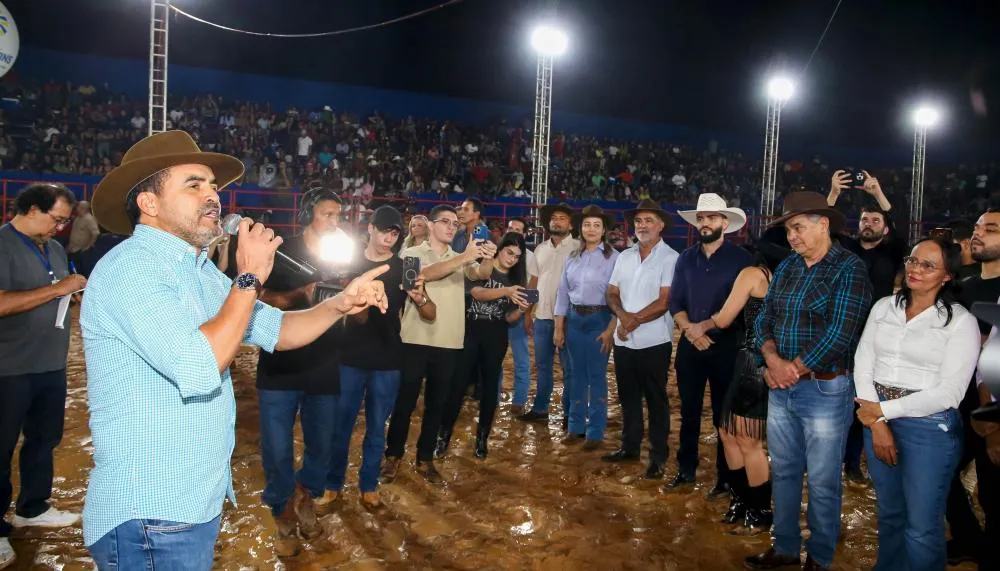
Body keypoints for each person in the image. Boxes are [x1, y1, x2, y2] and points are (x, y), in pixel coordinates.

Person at [80, 131, 389, 570]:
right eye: (194, 185)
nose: (213, 197)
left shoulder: (199, 271)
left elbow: (277, 330)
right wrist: (248, 278)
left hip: (188, 505)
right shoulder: (131, 268)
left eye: (213, 186)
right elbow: (201, 365)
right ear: (148, 203)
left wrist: (340, 303)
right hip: (150, 513)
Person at [745, 191, 872, 571]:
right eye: (788, 231)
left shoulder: (849, 269)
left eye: (798, 228)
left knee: (822, 479)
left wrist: (790, 368)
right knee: (783, 470)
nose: (792, 237)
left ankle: (819, 557)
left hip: (825, 389)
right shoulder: (787, 267)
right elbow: (762, 318)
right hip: (782, 385)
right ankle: (785, 549)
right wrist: (770, 359)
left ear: (823, 224)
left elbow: (841, 333)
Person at [854, 237, 979, 571]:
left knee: (922, 528)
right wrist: (878, 424)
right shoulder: (884, 308)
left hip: (930, 430)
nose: (915, 269)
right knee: (891, 515)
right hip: (877, 421)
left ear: (948, 276)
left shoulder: (960, 322)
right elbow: (863, 363)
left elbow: (950, 392)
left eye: (928, 265)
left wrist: (881, 412)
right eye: (912, 260)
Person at [252, 186, 347, 556]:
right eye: (328, 214)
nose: (335, 221)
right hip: (279, 364)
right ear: (309, 213)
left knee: (322, 444)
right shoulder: (281, 249)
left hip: (326, 363)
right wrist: (299, 296)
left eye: (338, 215)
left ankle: (306, 496)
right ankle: (282, 512)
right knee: (276, 447)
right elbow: (257, 299)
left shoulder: (342, 255)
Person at [326, 206, 436, 509]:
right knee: (341, 425)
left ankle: (368, 485)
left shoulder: (406, 266)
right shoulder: (349, 261)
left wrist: (420, 296)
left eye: (395, 232)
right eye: (384, 230)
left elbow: (430, 312)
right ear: (370, 229)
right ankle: (332, 483)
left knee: (377, 427)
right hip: (349, 355)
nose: (389, 236)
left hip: (388, 358)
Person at [0, 183, 86, 570]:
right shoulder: (3, 244)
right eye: (57, 219)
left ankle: (32, 508)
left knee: (43, 440)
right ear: (32, 208)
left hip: (50, 364)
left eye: (65, 222)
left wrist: (71, 294)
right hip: (8, 366)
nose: (61, 228)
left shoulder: (52, 248)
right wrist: (59, 289)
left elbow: (55, 291)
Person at [382, 204, 495, 484]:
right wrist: (465, 258)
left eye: (454, 223)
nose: (450, 226)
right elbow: (415, 278)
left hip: (449, 341)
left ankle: (425, 458)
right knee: (404, 403)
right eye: (444, 221)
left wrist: (487, 257)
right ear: (430, 225)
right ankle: (393, 456)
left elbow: (481, 275)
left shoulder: (461, 257)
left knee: (437, 405)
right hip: (414, 339)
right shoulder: (409, 253)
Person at [668, 193, 753, 491]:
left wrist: (699, 331)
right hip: (691, 345)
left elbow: (742, 306)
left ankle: (725, 478)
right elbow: (675, 301)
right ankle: (685, 469)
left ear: (725, 222)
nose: (705, 223)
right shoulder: (685, 258)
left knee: (723, 416)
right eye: (702, 218)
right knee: (688, 411)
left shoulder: (743, 260)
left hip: (727, 348)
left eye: (712, 218)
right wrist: (691, 330)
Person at [828, 169, 905, 483]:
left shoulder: (892, 250)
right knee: (838, 396)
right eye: (864, 220)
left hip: (878, 335)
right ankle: (835, 457)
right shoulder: (847, 248)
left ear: (884, 229)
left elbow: (899, 228)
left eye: (875, 221)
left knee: (866, 395)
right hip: (843, 330)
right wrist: (833, 194)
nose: (869, 224)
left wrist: (878, 194)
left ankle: (852, 463)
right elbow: (825, 227)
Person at [603, 199, 679, 479]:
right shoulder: (624, 257)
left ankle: (658, 457)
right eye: (638, 221)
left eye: (648, 221)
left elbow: (664, 302)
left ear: (660, 226)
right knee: (629, 397)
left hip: (654, 342)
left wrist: (630, 321)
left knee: (656, 400)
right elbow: (612, 292)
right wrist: (623, 318)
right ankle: (630, 447)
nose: (642, 226)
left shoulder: (671, 258)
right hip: (624, 341)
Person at [439, 232, 532, 458]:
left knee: (491, 387)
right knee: (458, 384)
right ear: (500, 249)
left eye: (517, 256)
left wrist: (522, 307)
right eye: (509, 252)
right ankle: (444, 435)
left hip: (496, 334)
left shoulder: (517, 280)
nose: (512, 259)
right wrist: (506, 292)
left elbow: (509, 318)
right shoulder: (483, 267)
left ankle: (482, 437)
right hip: (470, 330)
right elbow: (477, 294)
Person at [946, 209, 1000, 567]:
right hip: (960, 402)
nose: (978, 234)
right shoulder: (961, 289)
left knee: (994, 489)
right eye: (978, 227)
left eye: (991, 229)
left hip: (994, 405)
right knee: (942, 475)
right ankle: (970, 540)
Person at [553, 205, 619, 449]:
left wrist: (611, 328)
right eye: (587, 225)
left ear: (603, 230)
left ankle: (595, 432)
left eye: (596, 225)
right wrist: (559, 327)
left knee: (596, 376)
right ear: (581, 229)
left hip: (600, 319)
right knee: (575, 375)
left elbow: (620, 296)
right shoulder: (572, 257)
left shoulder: (615, 258)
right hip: (575, 320)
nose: (591, 229)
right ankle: (575, 427)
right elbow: (562, 294)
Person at [519, 203, 579, 426]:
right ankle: (541, 408)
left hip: (569, 318)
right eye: (554, 218)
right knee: (543, 366)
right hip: (542, 316)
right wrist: (527, 312)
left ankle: (568, 413)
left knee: (569, 367)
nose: (557, 221)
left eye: (563, 218)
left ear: (570, 224)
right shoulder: (540, 249)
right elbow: (534, 282)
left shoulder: (578, 247)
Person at [504, 217, 539, 415]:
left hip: (518, 311)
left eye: (518, 229)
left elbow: (532, 288)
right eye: (511, 228)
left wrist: (527, 314)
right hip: (497, 311)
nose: (515, 232)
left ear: (525, 234)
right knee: (494, 357)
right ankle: (493, 393)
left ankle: (519, 398)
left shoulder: (531, 257)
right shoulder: (496, 253)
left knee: (521, 357)